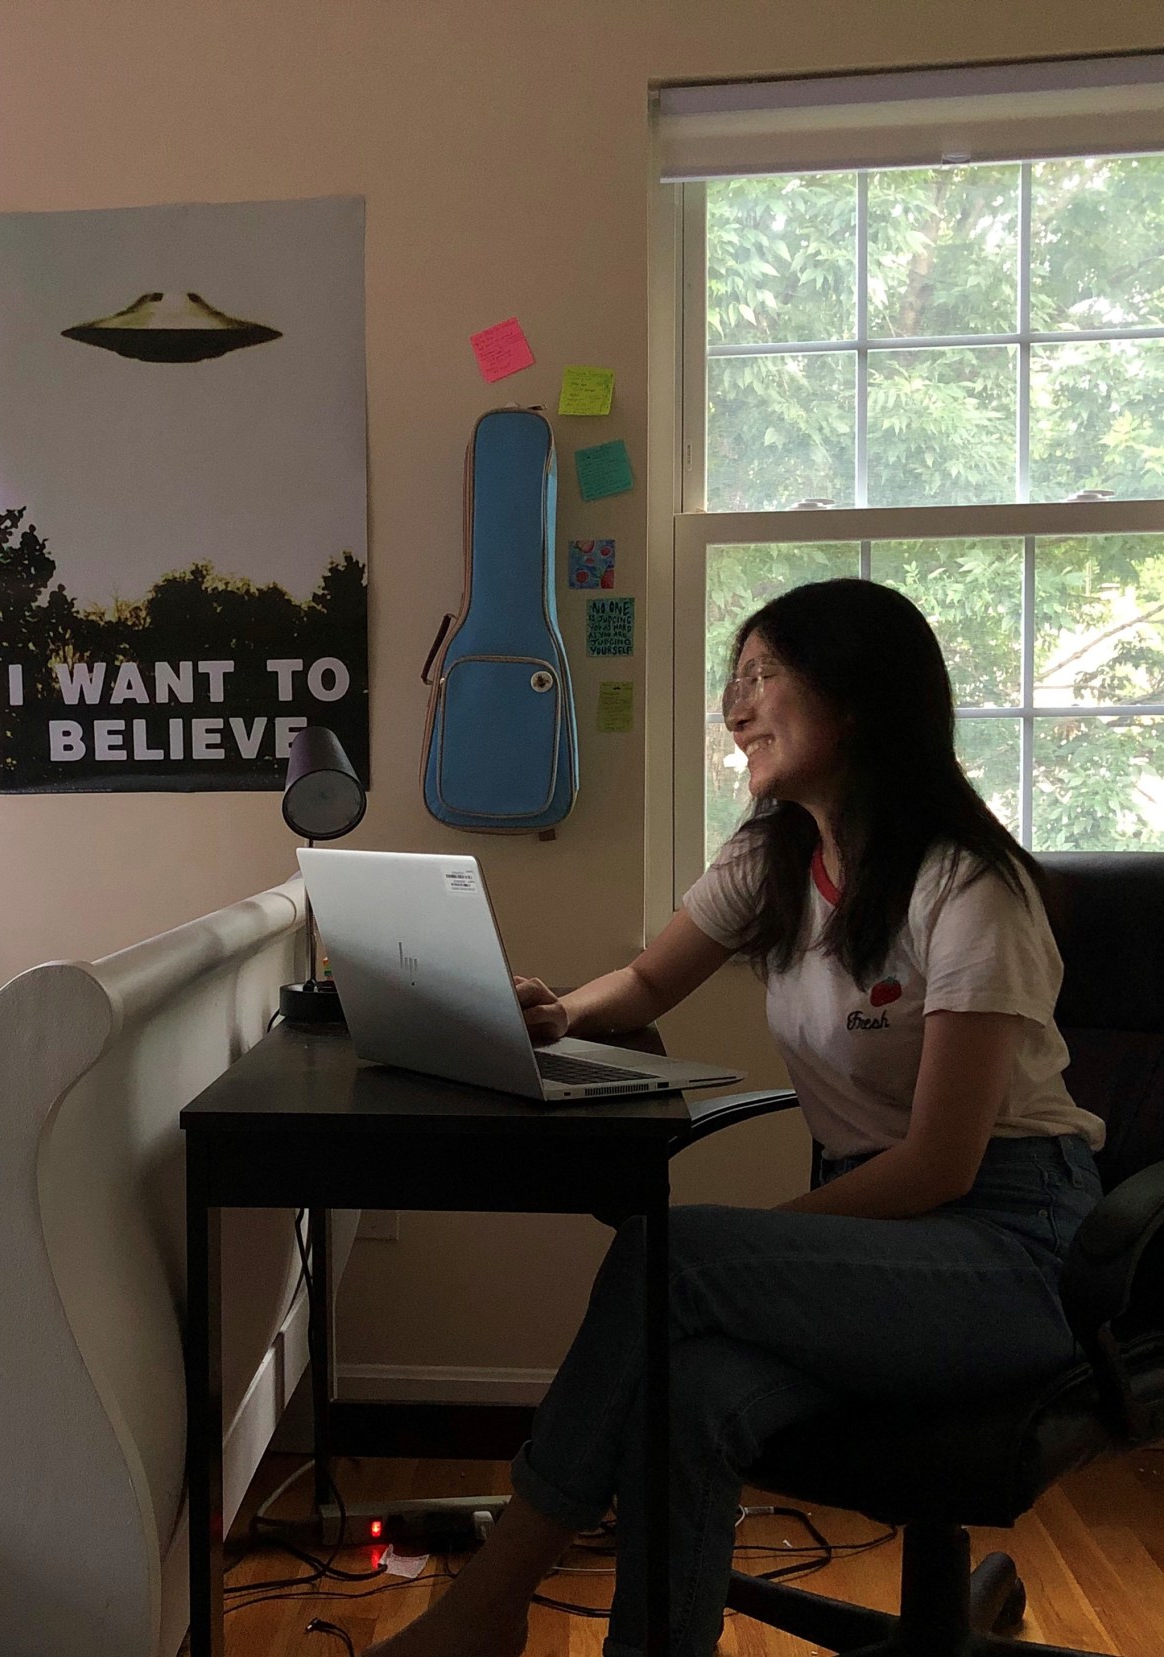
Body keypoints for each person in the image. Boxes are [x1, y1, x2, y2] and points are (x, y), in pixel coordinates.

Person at [367, 579, 1103, 1657]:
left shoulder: (968, 888)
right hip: (888, 1236)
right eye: (733, 679)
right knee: (689, 1388)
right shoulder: (769, 859)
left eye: (761, 675)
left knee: (671, 1257)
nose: (734, 705)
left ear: (850, 699)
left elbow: (942, 1164)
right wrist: (551, 1013)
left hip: (1012, 1244)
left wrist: (772, 1235)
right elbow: (644, 983)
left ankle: (488, 1603)